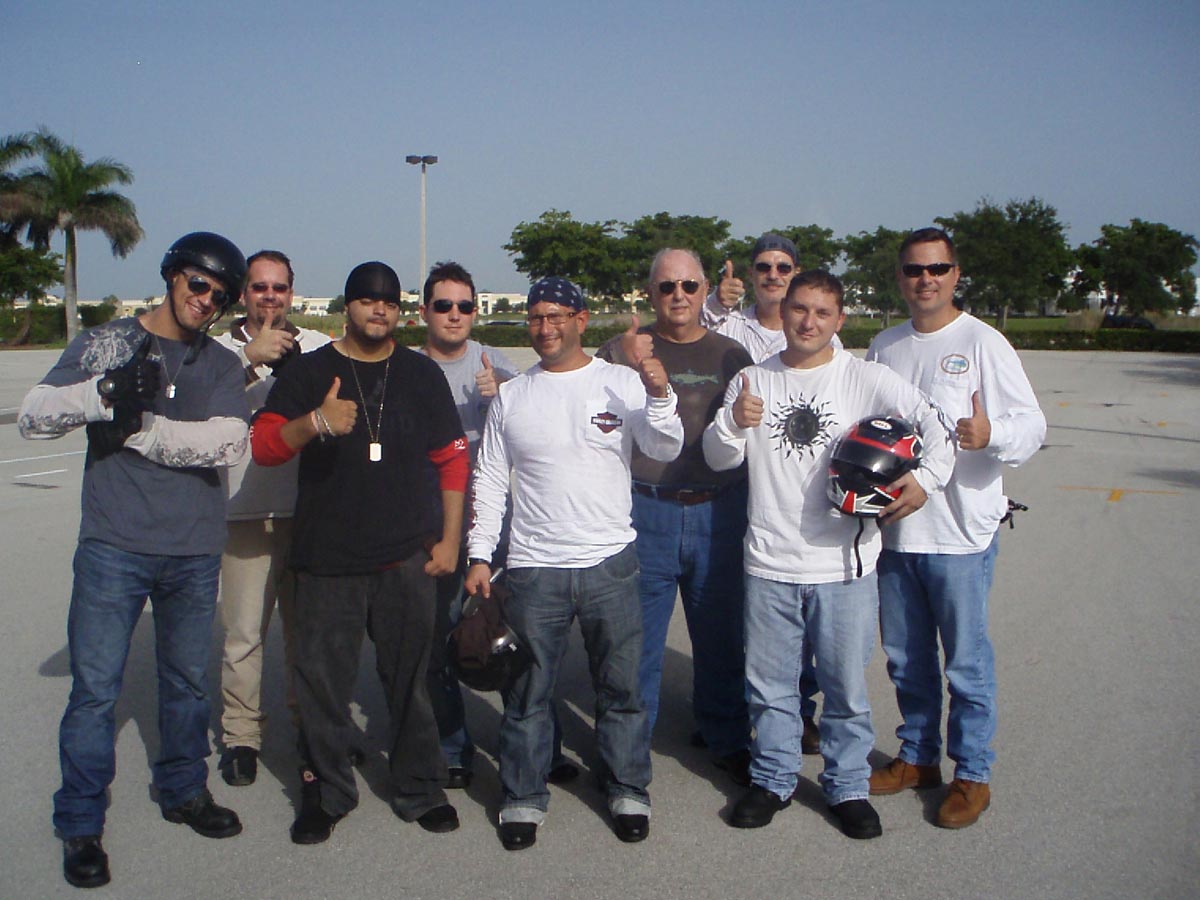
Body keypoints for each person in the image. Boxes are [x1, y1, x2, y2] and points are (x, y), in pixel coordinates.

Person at [19, 232, 251, 889]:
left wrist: (143, 431)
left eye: (219, 295)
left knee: (186, 683)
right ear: (173, 275)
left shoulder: (220, 363)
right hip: (114, 546)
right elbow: (33, 416)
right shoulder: (106, 344)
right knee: (95, 692)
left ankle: (184, 790)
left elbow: (228, 442)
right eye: (198, 284)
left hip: (192, 550)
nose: (205, 300)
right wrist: (103, 393)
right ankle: (80, 821)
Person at [702, 270, 954, 839]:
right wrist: (735, 425)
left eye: (822, 313)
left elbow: (936, 428)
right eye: (799, 309)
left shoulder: (865, 377)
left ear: (840, 320)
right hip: (769, 561)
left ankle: (847, 786)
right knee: (770, 688)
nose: (808, 322)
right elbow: (718, 458)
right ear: (783, 312)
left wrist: (926, 481)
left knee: (844, 689)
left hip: (844, 567)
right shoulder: (752, 378)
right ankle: (773, 779)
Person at [464, 276, 684, 851]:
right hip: (534, 567)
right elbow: (490, 480)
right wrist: (481, 554)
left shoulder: (620, 382)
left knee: (621, 687)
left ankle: (628, 786)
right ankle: (522, 795)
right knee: (526, 692)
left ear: (581, 320)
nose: (545, 328)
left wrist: (660, 394)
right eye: (536, 317)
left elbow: (664, 447)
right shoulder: (514, 396)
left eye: (557, 316)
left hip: (611, 563)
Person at [251, 261, 467, 843]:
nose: (379, 309)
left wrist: (450, 539)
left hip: (405, 556)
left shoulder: (420, 373)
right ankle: (327, 792)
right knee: (322, 687)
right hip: (327, 559)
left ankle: (421, 787)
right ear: (347, 306)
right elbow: (264, 446)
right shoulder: (311, 370)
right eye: (368, 300)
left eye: (390, 302)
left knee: (411, 681)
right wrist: (314, 422)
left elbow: (451, 457)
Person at [865, 227, 1046, 829]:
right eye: (914, 270)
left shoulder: (984, 342)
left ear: (955, 274)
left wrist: (992, 434)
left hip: (960, 536)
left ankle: (973, 772)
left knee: (965, 664)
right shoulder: (885, 346)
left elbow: (1032, 427)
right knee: (905, 658)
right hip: (896, 534)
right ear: (900, 277)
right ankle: (918, 758)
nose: (926, 280)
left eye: (937, 269)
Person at [596, 248, 754, 781]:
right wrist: (621, 358)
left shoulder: (732, 355)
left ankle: (725, 734)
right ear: (651, 294)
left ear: (705, 290)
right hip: (647, 510)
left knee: (720, 634)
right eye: (667, 287)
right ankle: (628, 750)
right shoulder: (622, 350)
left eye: (689, 285)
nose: (679, 296)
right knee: (636, 640)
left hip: (718, 511)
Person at [215, 249, 331, 787]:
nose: (269, 297)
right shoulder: (218, 352)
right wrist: (250, 358)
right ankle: (241, 736)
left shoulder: (317, 347)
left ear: (291, 292)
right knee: (244, 636)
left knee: (307, 637)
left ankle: (310, 729)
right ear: (243, 293)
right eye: (259, 287)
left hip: (307, 513)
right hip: (244, 513)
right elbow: (193, 402)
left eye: (278, 288)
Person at [704, 232, 823, 754]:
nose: (773, 275)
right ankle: (733, 708)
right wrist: (715, 300)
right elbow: (693, 328)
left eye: (783, 267)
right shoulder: (731, 324)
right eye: (764, 267)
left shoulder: (813, 332)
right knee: (738, 606)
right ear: (750, 274)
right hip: (733, 482)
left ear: (795, 273)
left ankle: (801, 708)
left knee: (798, 605)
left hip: (793, 487)